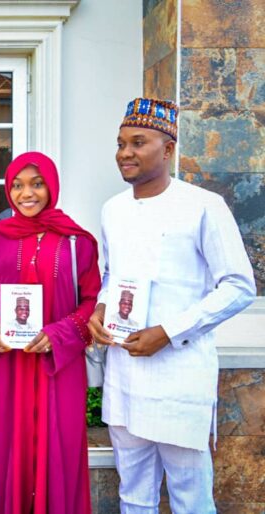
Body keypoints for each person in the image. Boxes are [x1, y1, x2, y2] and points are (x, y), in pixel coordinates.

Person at [87, 98, 256, 513]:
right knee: (134, 495)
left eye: (137, 142)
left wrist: (169, 332)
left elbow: (239, 286)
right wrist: (101, 308)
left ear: (168, 149)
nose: (124, 152)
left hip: (178, 377)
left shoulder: (203, 206)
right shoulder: (113, 210)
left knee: (190, 499)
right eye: (120, 143)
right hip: (125, 377)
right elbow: (111, 275)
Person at [0, 151, 100, 514]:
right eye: (17, 185)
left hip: (58, 367)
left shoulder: (79, 241)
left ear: (52, 186)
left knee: (59, 450)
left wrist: (61, 333)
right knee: (3, 450)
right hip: (9, 367)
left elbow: (93, 300)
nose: (25, 193)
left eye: (36, 184)